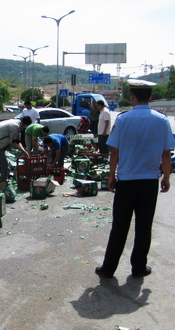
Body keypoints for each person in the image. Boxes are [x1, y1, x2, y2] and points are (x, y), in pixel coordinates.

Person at [95, 79, 175, 279]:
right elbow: (166, 153)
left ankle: (108, 268)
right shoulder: (162, 120)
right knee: (143, 226)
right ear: (150, 97)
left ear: (131, 97)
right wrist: (166, 176)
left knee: (120, 226)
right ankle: (139, 268)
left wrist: (111, 176)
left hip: (127, 180)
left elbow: (114, 151)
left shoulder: (123, 119)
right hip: (149, 182)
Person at [0, 116, 31, 183]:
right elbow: (13, 143)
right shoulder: (15, 126)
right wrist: (23, 151)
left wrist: (25, 151)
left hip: (1, 144)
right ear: (26, 124)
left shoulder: (18, 126)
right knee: (4, 165)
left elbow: (17, 141)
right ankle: (3, 182)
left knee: (0, 163)